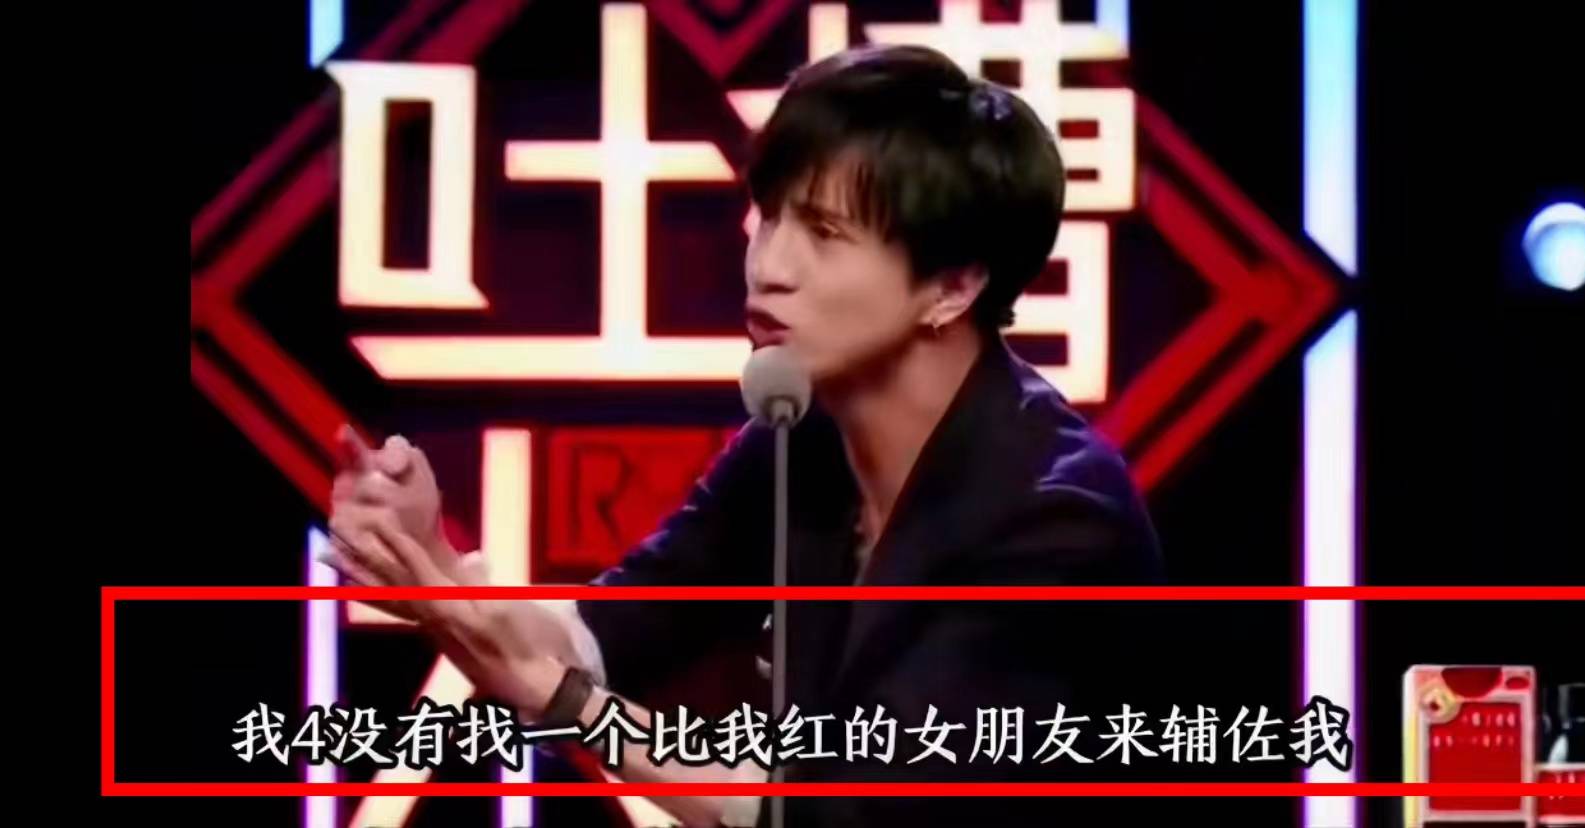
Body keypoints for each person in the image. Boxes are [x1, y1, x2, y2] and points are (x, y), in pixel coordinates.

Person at [324, 44, 1167, 827]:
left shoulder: (1056, 520)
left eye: (824, 234)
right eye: (769, 218)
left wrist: (567, 703)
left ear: (952, 287)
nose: (769, 266)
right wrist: (432, 568)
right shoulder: (804, 436)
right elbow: (613, 630)